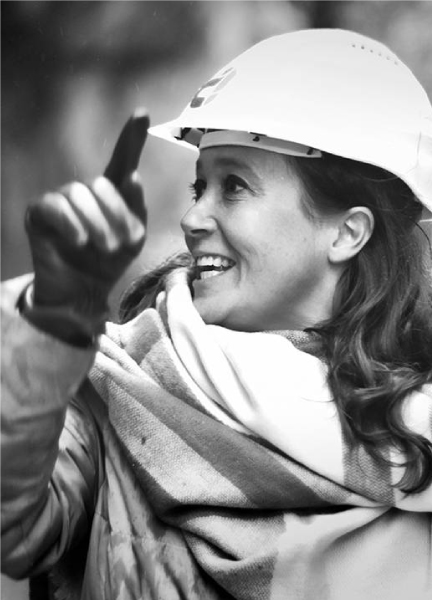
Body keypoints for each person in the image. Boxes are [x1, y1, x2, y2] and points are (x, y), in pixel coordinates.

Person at [1, 28, 432, 600]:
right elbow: (14, 527)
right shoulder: (118, 388)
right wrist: (47, 327)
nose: (192, 218)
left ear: (347, 232)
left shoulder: (418, 438)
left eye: (234, 187)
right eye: (199, 186)